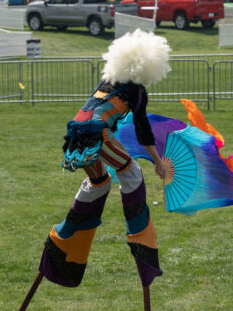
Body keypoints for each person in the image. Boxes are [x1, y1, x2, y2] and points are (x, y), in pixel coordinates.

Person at [37, 29, 170, 296]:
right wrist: (156, 161)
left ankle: (66, 237)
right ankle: (138, 233)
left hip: (75, 135)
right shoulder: (138, 92)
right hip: (97, 135)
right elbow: (143, 129)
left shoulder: (107, 81)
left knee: (99, 182)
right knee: (131, 171)